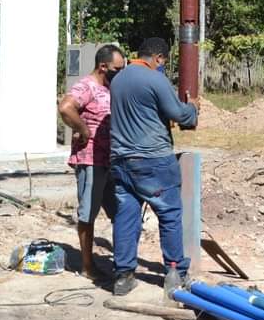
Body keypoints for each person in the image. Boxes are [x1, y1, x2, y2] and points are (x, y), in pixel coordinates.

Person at [108, 37, 199, 297]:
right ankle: (175, 274)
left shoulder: (119, 79)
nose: (163, 66)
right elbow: (178, 114)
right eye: (164, 62)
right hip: (153, 161)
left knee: (126, 217)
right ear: (158, 57)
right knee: (169, 215)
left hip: (122, 162)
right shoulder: (155, 79)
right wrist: (193, 109)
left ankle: (123, 277)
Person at [58, 44, 125, 280]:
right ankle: (87, 266)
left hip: (111, 161)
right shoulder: (86, 86)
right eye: (117, 68)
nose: (120, 72)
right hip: (91, 161)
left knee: (121, 212)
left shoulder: (110, 87)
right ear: (102, 66)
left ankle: (123, 263)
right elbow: (66, 108)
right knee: (88, 214)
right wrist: (83, 129)